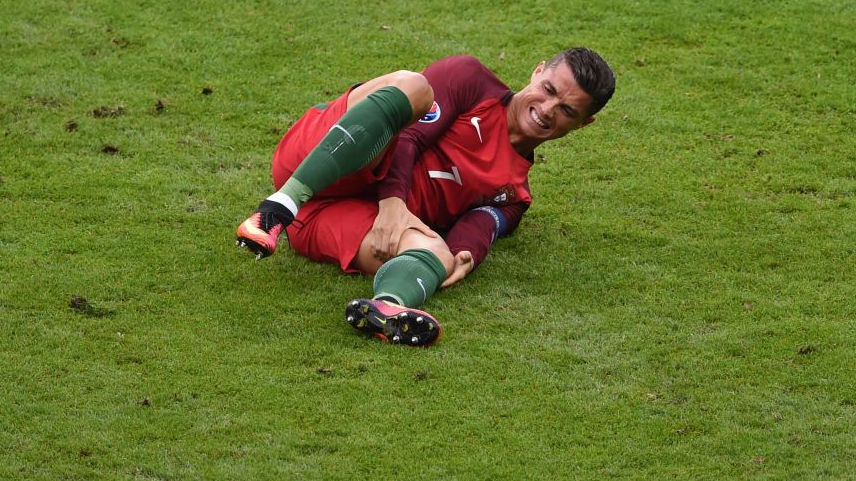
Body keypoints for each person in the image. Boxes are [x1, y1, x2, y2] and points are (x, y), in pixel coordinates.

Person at [236, 49, 616, 346]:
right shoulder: (471, 80)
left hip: (324, 220)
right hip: (320, 156)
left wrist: (467, 253)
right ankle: (277, 207)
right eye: (548, 90)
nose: (547, 110)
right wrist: (393, 202)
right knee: (413, 86)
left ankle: (387, 307)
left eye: (567, 110)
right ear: (538, 72)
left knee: (439, 253)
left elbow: (479, 228)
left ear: (585, 124)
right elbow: (410, 137)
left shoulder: (514, 194)